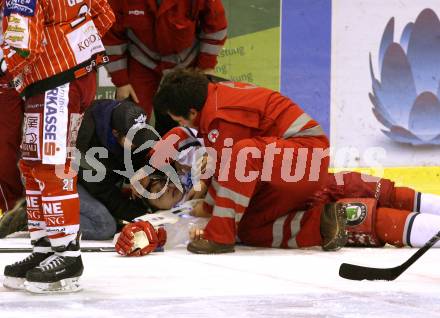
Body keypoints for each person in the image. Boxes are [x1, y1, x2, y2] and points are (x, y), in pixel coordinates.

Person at [152, 69, 339, 254]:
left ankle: (219, 238)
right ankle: (320, 224)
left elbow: (232, 169)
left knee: (244, 154)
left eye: (179, 120)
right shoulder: (214, 102)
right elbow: (224, 171)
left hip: (307, 156)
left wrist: (207, 208)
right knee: (246, 227)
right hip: (297, 164)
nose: (181, 125)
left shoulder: (221, 116)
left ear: (192, 112)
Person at [1, 1, 115, 293]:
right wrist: (72, 51)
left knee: (49, 166)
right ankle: (47, 249)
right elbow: (105, 16)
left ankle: (67, 256)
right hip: (65, 78)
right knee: (35, 164)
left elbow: (22, 47)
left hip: (55, 82)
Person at [115, 171, 440, 255]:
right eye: (151, 192)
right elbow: (164, 230)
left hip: (295, 185)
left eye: (158, 179)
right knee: (372, 219)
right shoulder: (185, 213)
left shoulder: (196, 159)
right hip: (284, 218)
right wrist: (147, 234)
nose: (161, 188)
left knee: (377, 188)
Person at [102, 0, 228, 135]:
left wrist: (205, 68)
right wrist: (121, 81)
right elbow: (111, 36)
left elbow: (216, 27)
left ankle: (185, 152)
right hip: (142, 60)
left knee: (191, 120)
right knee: (129, 118)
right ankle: (131, 154)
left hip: (187, 64)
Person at [76, 99, 157, 240]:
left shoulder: (127, 117)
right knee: (105, 226)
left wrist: (142, 170)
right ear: (115, 133)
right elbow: (106, 195)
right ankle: (44, 217)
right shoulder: (86, 139)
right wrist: (147, 218)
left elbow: (140, 153)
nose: (140, 144)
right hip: (71, 183)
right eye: (135, 140)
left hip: (103, 183)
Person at [0, 1, 23, 220]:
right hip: (6, 74)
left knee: (49, 145)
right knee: (4, 146)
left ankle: (43, 207)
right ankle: (10, 207)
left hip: (43, 68)